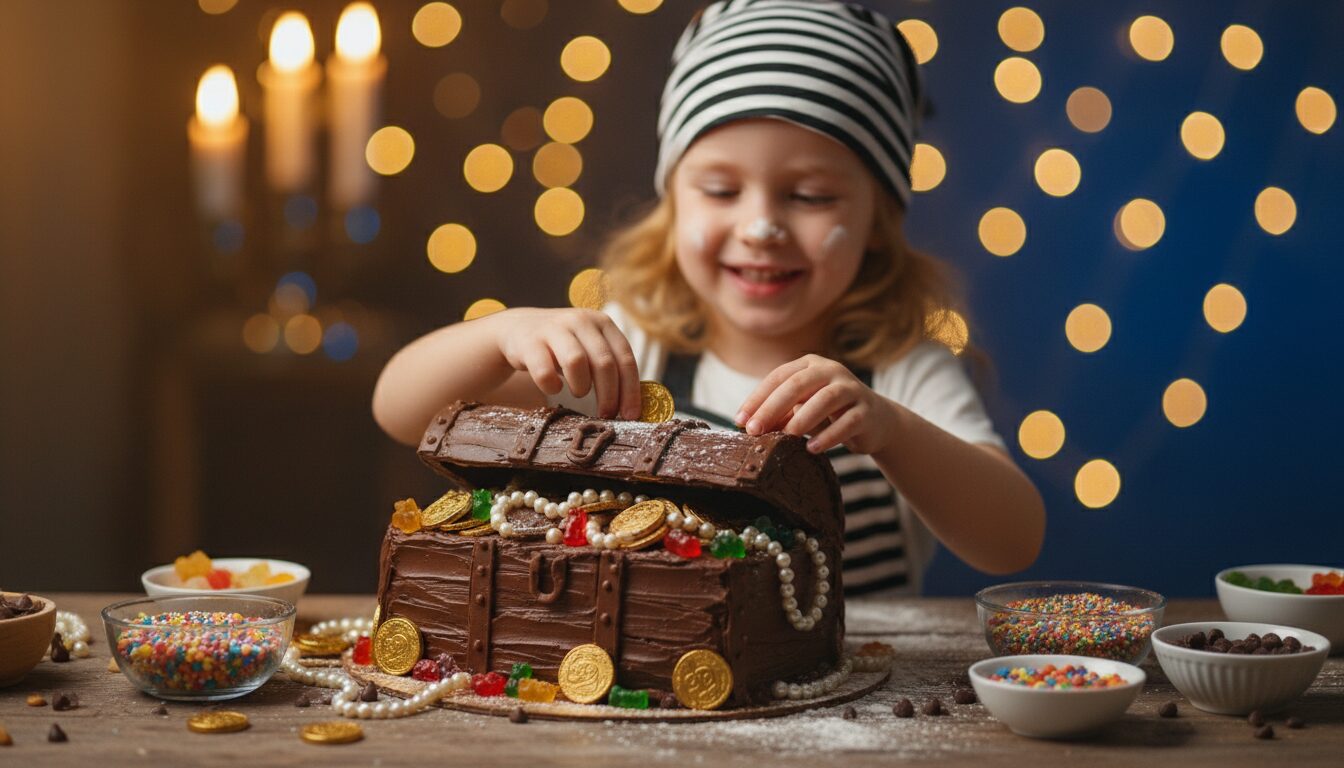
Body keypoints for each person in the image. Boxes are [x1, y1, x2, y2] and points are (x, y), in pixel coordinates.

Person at [373, 0, 1044, 594]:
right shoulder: (635, 348)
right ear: (671, 203)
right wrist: (502, 334)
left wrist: (892, 429)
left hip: (856, 708)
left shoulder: (901, 364)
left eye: (810, 196)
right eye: (721, 190)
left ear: (878, 222)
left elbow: (1012, 539)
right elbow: (403, 411)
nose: (761, 227)